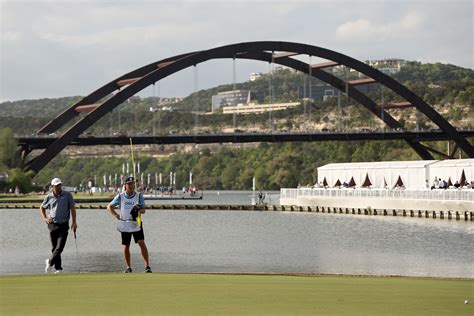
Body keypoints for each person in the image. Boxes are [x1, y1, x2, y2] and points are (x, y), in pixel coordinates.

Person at [107, 176, 152, 273]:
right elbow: (109, 207)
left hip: (136, 223)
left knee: (141, 242)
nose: (131, 186)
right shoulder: (121, 196)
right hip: (125, 223)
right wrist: (116, 216)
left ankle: (147, 266)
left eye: (133, 184)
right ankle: (128, 267)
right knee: (126, 245)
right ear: (125, 185)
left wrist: (139, 208)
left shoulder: (139, 196)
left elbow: (144, 210)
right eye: (129, 184)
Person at [40, 178, 77, 274]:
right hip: (52, 224)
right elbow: (42, 208)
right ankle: (58, 268)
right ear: (52, 187)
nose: (58, 187)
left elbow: (72, 209)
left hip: (64, 224)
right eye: (56, 185)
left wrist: (74, 222)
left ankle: (50, 262)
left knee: (60, 247)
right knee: (54, 248)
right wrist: (45, 218)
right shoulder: (49, 197)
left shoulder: (67, 195)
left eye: (59, 185)